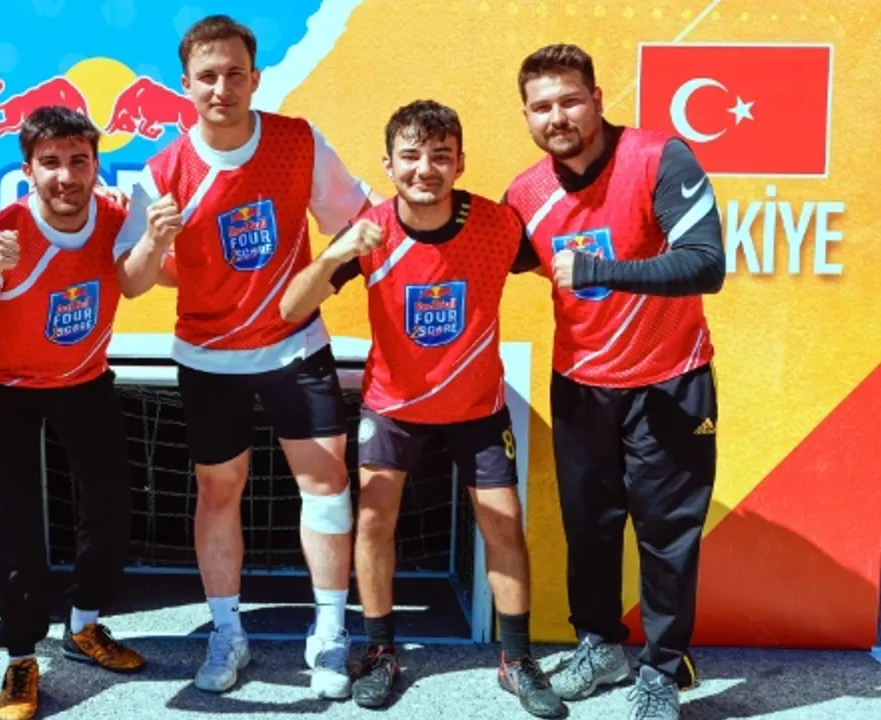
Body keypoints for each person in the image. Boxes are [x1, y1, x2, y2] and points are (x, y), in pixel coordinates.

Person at [115, 14, 384, 699]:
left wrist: (320, 280)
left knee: (326, 484)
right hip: (209, 356)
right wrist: (155, 242)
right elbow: (132, 280)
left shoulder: (298, 141)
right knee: (218, 490)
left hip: (296, 347)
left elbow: (360, 223)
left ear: (255, 78)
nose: (222, 88)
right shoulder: (162, 171)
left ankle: (329, 634)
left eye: (235, 73)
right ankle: (227, 631)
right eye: (207, 76)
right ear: (185, 85)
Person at [279, 100, 566, 717]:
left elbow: (563, 262)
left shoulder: (497, 225)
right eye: (410, 156)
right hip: (394, 406)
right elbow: (290, 308)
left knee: (504, 525)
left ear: (460, 163)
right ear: (388, 165)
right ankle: (380, 651)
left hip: (478, 406)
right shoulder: (370, 230)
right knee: (373, 522)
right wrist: (335, 254)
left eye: (440, 155)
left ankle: (517, 660)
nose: (425, 169)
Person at [504, 44, 725, 720]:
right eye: (542, 107)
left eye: (570, 100)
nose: (558, 117)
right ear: (526, 116)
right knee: (590, 530)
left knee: (666, 537)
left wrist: (599, 271)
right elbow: (477, 256)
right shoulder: (526, 193)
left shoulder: (660, 158)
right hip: (581, 385)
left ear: (597, 99)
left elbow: (705, 262)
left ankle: (662, 671)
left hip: (670, 381)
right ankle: (599, 646)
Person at [0, 106, 147, 720]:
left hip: (84, 379)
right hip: (5, 386)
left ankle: (84, 626)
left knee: (110, 503)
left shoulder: (115, 218)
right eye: (50, 162)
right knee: (18, 519)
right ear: (27, 170)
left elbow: (147, 278)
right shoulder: (0, 232)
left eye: (79, 160)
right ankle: (21, 656)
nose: (65, 175)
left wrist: (155, 229)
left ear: (96, 164)